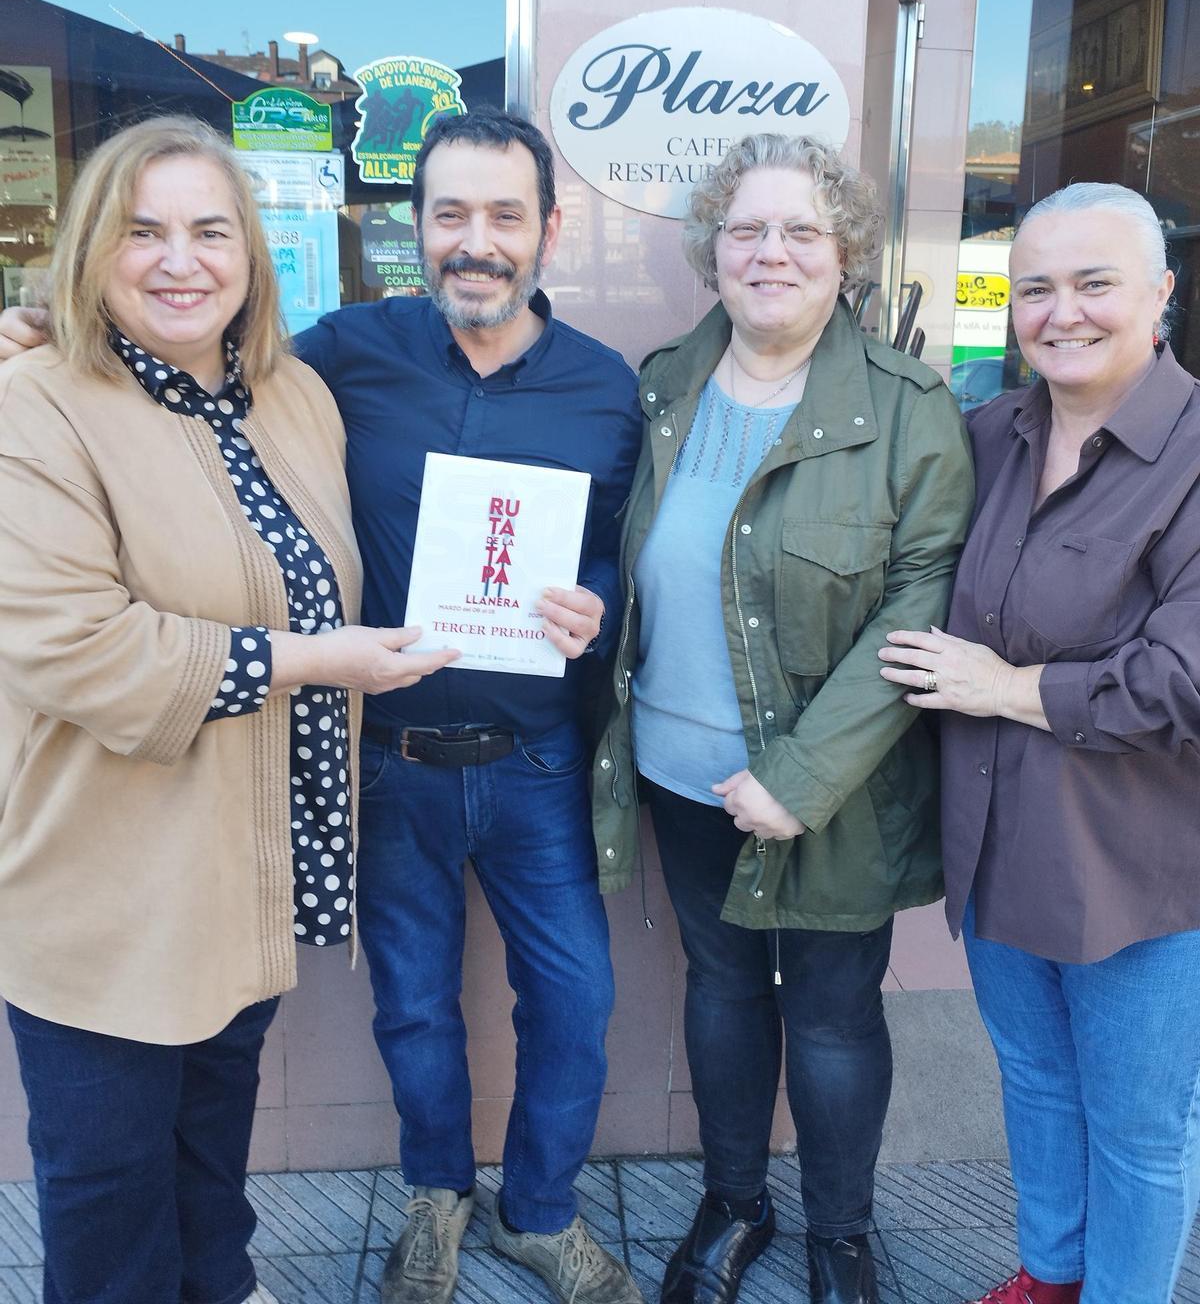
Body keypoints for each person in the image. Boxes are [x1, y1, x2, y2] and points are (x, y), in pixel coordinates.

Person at [0, 108, 645, 1304]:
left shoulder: (598, 387)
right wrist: (38, 329)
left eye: (505, 215)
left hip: (524, 762)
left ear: (548, 230)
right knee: (407, 1012)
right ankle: (434, 1201)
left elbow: (618, 548)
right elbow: (78, 621)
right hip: (375, 759)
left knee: (576, 1000)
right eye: (450, 214)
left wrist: (592, 604)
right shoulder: (337, 356)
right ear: (415, 230)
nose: (477, 241)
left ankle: (542, 1212)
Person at [592, 132, 974, 1304]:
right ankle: (736, 1198)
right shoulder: (662, 384)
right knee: (718, 986)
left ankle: (842, 1231)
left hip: (835, 788)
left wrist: (798, 778)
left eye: (802, 230)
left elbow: (920, 602)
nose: (773, 252)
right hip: (675, 764)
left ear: (846, 253)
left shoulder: (912, 409)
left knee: (831, 1010)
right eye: (748, 230)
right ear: (713, 250)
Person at [880, 182, 1200, 1304]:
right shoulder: (990, 434)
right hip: (999, 843)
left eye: (1094, 283)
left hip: (1138, 874)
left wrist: (1006, 687)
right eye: (1035, 288)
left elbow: (1187, 678)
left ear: (1161, 292)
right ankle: (1052, 1275)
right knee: (1035, 1080)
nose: (1061, 312)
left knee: (1141, 1127)